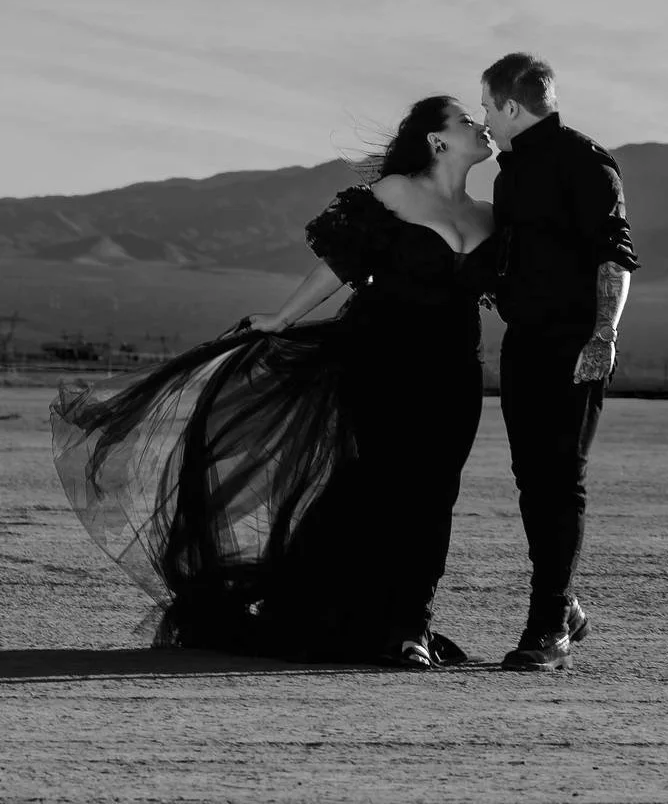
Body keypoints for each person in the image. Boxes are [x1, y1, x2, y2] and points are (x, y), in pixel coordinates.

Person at [50, 96, 497, 668]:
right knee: (377, 483)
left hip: (456, 370)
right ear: (437, 140)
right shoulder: (394, 194)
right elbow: (339, 265)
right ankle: (330, 611)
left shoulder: (490, 215)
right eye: (466, 120)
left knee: (437, 492)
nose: (481, 127)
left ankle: (412, 623)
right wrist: (282, 319)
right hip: (380, 360)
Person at [480, 51, 638, 671]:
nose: (485, 119)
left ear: (512, 105)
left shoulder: (586, 162)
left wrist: (604, 335)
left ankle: (547, 627)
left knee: (560, 479)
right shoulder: (508, 173)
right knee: (530, 480)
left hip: (576, 344)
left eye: (489, 106)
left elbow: (616, 254)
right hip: (523, 343)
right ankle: (564, 603)